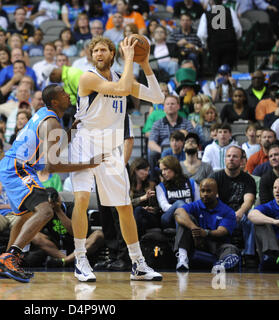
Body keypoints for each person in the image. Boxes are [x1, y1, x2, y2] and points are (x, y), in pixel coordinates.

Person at [0, 84, 110, 283]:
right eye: (64, 94)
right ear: (55, 101)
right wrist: (89, 164)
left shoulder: (46, 115)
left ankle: (5, 262)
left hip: (16, 166)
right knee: (46, 211)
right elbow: (52, 166)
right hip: (18, 168)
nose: (68, 96)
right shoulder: (51, 122)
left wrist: (70, 132)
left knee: (24, 216)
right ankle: (10, 257)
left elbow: (55, 145)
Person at [69, 35, 164, 283]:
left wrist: (144, 64)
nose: (99, 54)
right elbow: (123, 89)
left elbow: (158, 97)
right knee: (81, 199)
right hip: (84, 145)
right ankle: (81, 259)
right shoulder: (88, 77)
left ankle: (138, 264)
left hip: (111, 149)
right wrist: (130, 59)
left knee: (124, 207)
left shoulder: (122, 78)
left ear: (112, 54)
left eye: (104, 50)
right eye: (95, 50)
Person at [174, 178, 240, 271]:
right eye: (202, 191)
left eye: (209, 191)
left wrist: (206, 233)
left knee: (231, 249)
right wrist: (194, 228)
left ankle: (221, 265)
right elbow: (178, 212)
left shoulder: (227, 211)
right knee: (185, 219)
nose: (205, 194)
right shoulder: (196, 205)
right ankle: (182, 258)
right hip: (196, 242)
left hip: (216, 244)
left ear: (216, 192)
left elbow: (222, 231)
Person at [210, 145, 258, 268]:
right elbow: (212, 199)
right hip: (221, 214)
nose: (231, 159)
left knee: (250, 218)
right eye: (228, 156)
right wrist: (228, 214)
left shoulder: (248, 179)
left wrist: (240, 212)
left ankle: (249, 255)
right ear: (224, 159)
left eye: (235, 156)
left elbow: (249, 199)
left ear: (242, 161)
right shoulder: (216, 177)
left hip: (239, 215)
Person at [148, 94, 194, 171]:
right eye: (167, 104)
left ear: (178, 106)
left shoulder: (187, 123)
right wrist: (164, 151)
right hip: (163, 151)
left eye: (172, 104)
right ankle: (153, 181)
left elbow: (193, 140)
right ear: (164, 107)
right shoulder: (157, 124)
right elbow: (151, 143)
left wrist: (186, 135)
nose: (170, 106)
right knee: (152, 154)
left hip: (181, 151)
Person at [248, 176, 279, 272]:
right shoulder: (270, 206)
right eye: (275, 188)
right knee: (260, 222)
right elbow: (251, 215)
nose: (277, 191)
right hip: (273, 249)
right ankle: (275, 256)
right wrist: (274, 221)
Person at [196, 0, 241, 72]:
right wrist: (235, 39)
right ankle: (228, 82)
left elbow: (202, 34)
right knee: (227, 70)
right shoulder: (230, 11)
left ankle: (218, 81)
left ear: (211, 2)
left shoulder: (206, 14)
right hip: (229, 45)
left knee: (216, 70)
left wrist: (205, 43)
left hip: (214, 46)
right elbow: (238, 29)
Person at [156, 155, 200, 229]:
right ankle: (193, 228)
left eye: (165, 169)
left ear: (174, 168)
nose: (163, 173)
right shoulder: (160, 187)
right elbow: (164, 207)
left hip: (189, 215)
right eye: (162, 170)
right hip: (168, 219)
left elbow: (198, 202)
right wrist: (182, 208)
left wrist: (184, 211)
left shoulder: (191, 182)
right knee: (179, 204)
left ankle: (181, 237)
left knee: (181, 215)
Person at [129, 158, 160, 237]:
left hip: (149, 217)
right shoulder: (128, 186)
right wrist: (143, 198)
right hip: (133, 218)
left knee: (139, 210)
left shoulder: (150, 185)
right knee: (138, 212)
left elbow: (157, 207)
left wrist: (151, 209)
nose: (147, 173)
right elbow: (127, 204)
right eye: (145, 170)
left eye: (148, 170)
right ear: (136, 170)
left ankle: (135, 241)